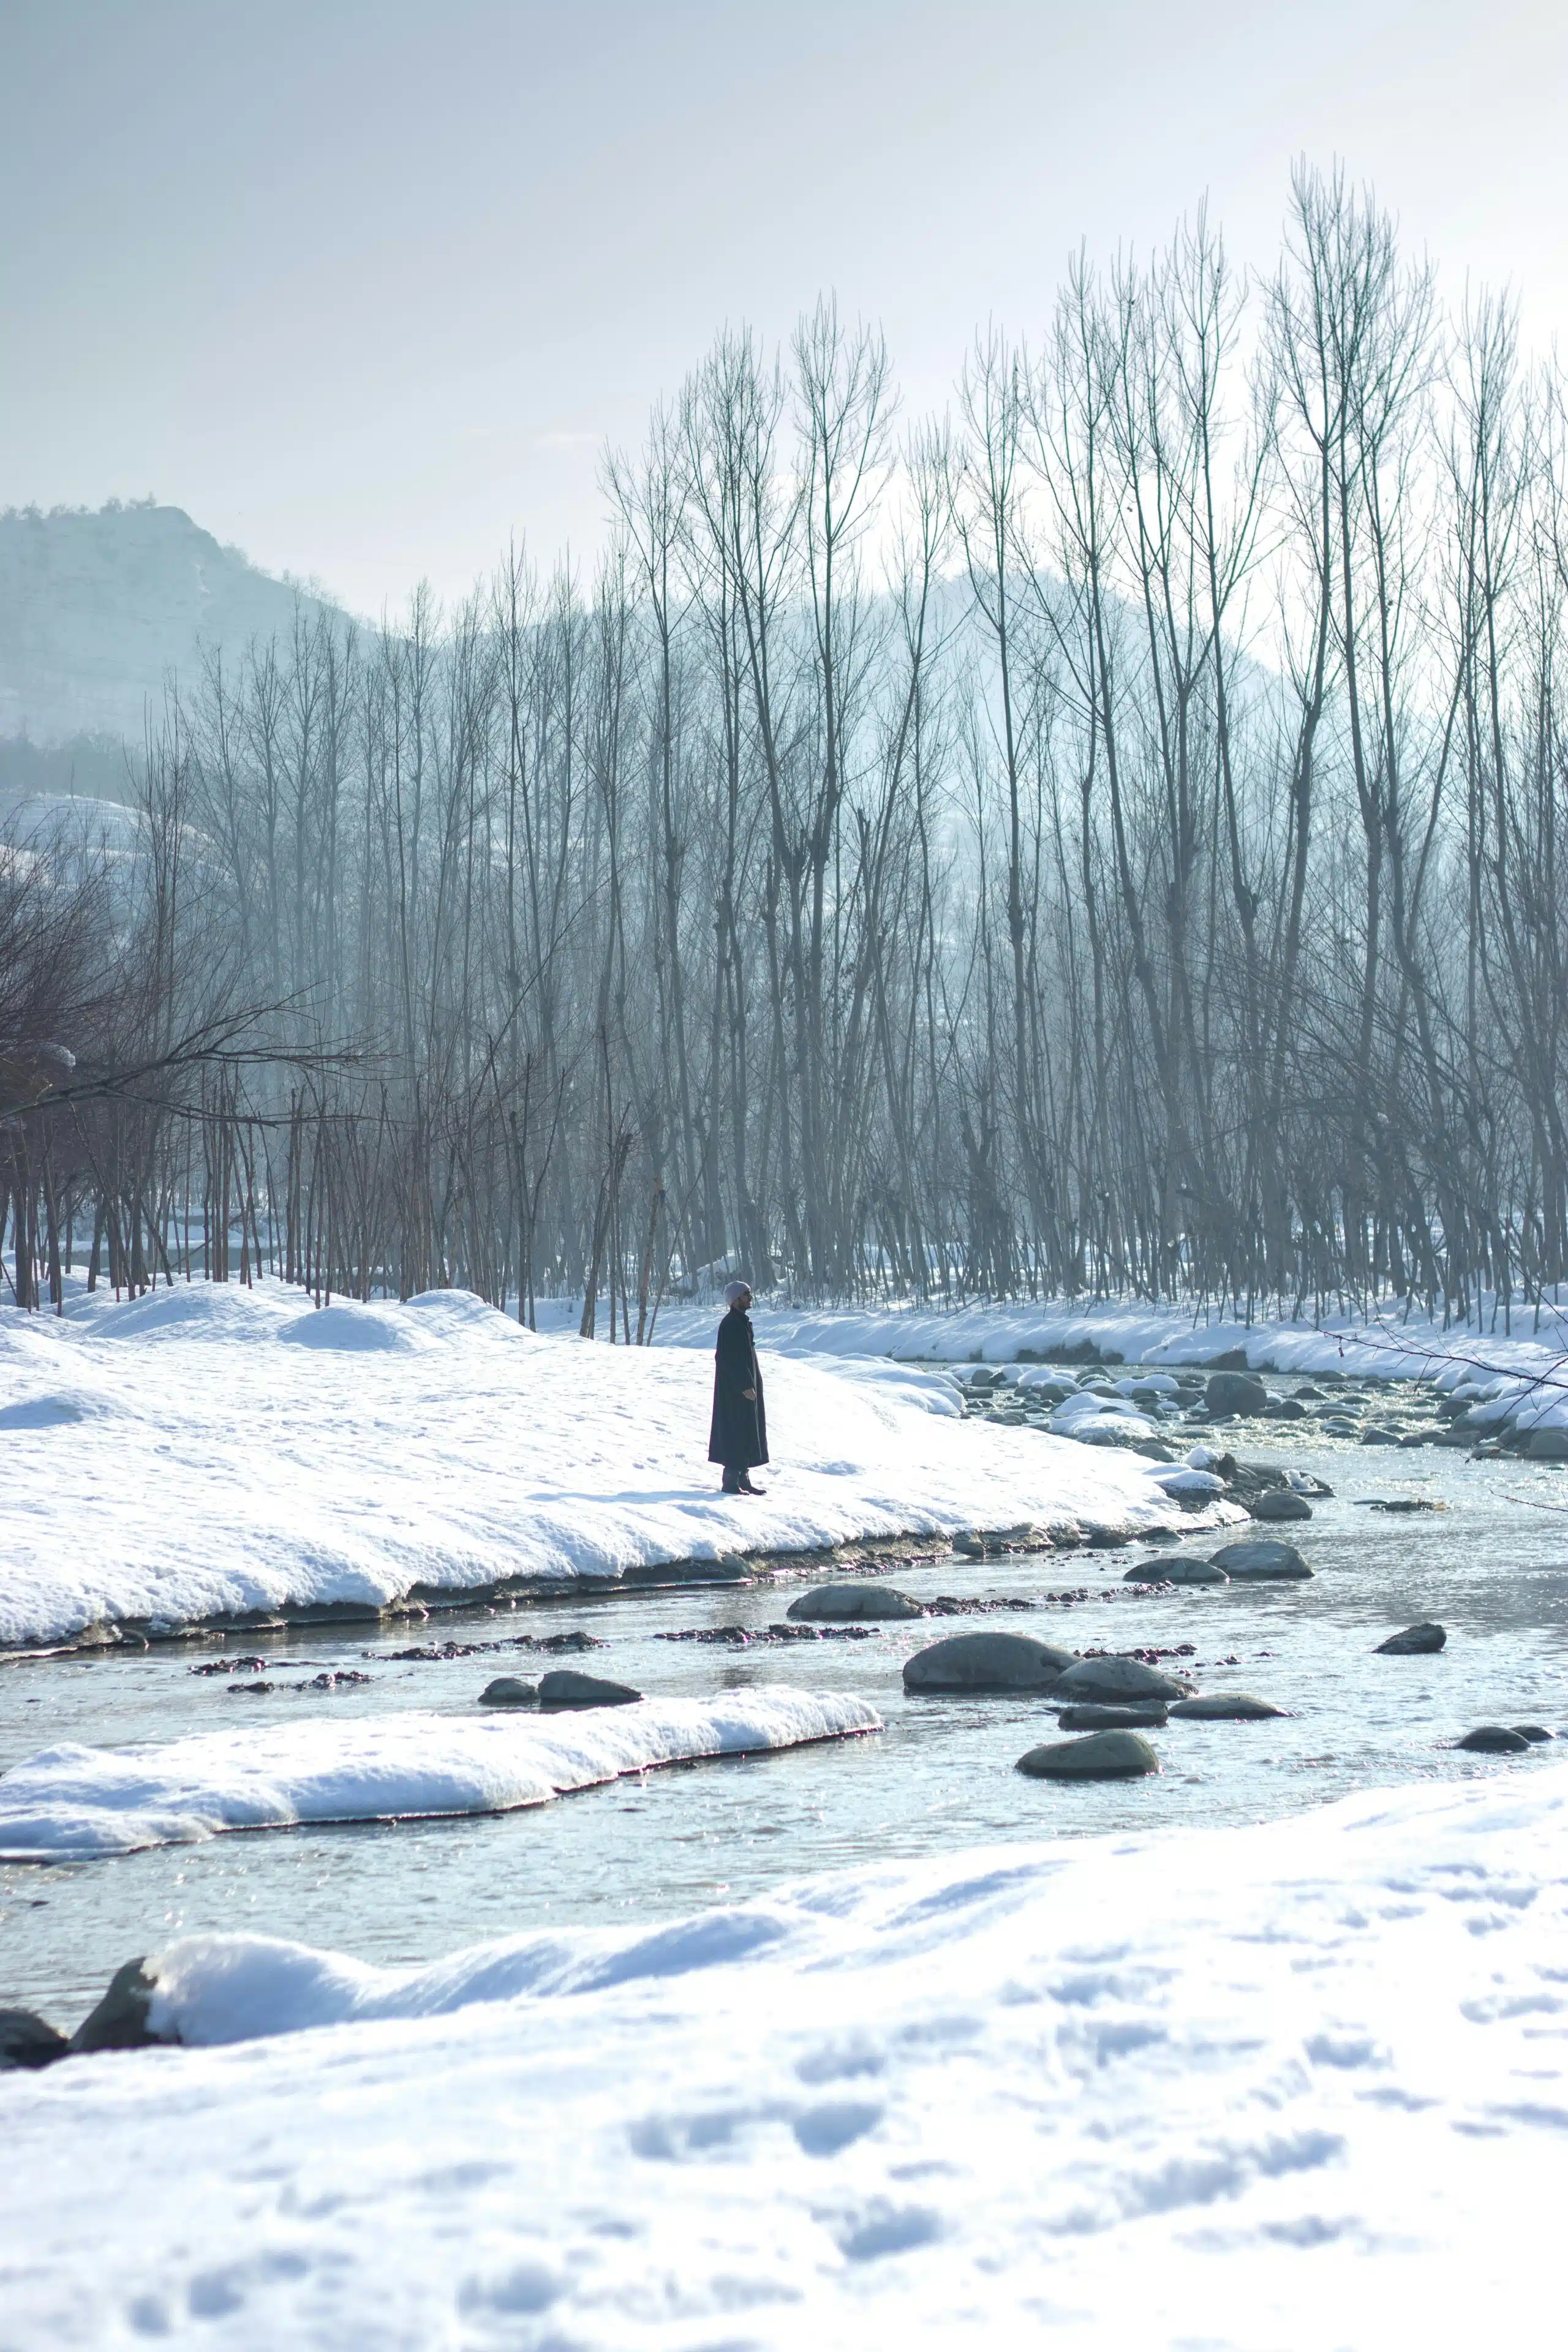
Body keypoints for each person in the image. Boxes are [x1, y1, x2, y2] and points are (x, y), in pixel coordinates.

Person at [708, 1278, 767, 1494]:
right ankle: (731, 1481)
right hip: (735, 1390)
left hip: (746, 1387)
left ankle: (744, 1478)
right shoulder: (731, 1324)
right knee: (736, 1429)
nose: (750, 1298)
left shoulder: (741, 1321)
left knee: (748, 1429)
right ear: (735, 1300)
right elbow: (728, 1359)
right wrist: (743, 1385)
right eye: (746, 1295)